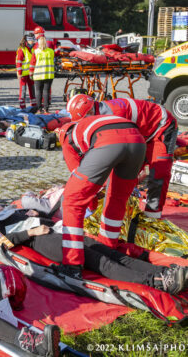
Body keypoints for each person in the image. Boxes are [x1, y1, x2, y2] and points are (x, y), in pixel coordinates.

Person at [0, 204, 188, 295]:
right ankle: (157, 283)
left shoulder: (17, 210)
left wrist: (35, 213)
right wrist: (29, 233)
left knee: (112, 253)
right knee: (99, 262)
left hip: (60, 230)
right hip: (43, 240)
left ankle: (163, 273)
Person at [56, 115, 147, 277]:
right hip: (137, 140)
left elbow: (78, 183)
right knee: (117, 199)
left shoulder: (67, 139)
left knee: (72, 200)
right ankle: (108, 248)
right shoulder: (88, 123)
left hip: (107, 140)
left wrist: (91, 203)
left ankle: (72, 264)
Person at [67, 95, 177, 219]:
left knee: (159, 171)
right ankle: (125, 205)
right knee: (125, 173)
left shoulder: (114, 115)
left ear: (91, 112)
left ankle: (152, 215)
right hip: (140, 133)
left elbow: (116, 154)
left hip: (162, 127)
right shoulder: (100, 116)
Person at [28, 27, 54, 114]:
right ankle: (46, 109)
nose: (34, 35)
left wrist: (30, 73)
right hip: (49, 75)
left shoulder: (36, 51)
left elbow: (32, 64)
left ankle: (39, 109)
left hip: (38, 75)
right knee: (46, 92)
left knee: (38, 92)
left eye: (35, 34)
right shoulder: (51, 51)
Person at [15, 35, 35, 110]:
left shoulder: (32, 49)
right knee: (23, 91)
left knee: (32, 90)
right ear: (27, 41)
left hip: (30, 73)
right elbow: (18, 62)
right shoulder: (22, 49)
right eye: (32, 40)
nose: (33, 41)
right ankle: (22, 107)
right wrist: (19, 73)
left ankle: (33, 105)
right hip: (23, 74)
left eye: (34, 40)